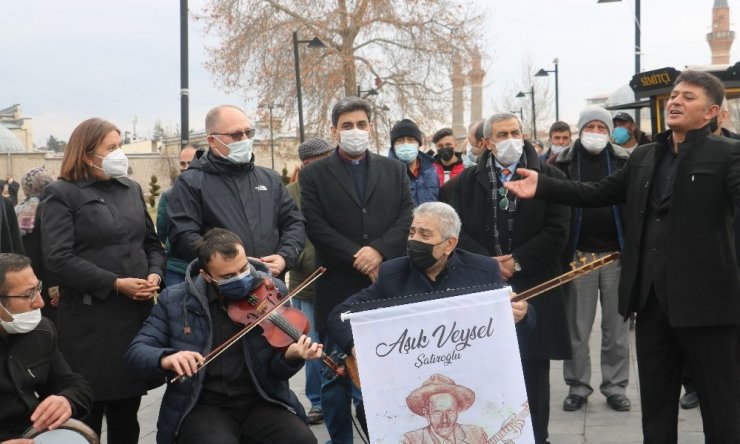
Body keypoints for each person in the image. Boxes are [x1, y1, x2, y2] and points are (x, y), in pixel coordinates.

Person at [504, 70, 740, 443]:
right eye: (675, 95)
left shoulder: (728, 154)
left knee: (723, 412)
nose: (676, 100)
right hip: (651, 306)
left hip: (708, 307)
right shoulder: (646, 156)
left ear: (711, 111)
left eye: (688, 97)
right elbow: (597, 192)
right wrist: (544, 184)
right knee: (657, 412)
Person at [325, 203, 532, 443]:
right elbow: (338, 315)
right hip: (408, 382)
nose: (414, 240)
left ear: (450, 244)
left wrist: (523, 313)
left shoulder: (482, 271)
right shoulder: (392, 274)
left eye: (425, 235)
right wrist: (354, 346)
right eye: (412, 232)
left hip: (470, 377)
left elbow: (522, 318)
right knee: (369, 412)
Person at [442, 112, 571, 444]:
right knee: (487, 371)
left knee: (534, 372)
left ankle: (537, 437)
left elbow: (558, 231)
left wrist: (517, 262)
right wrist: (488, 263)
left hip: (535, 284)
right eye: (502, 134)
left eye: (516, 132)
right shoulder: (465, 183)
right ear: (487, 143)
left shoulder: (551, 177)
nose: (511, 139)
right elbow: (456, 231)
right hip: (482, 287)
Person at [125, 228, 320, 444]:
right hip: (203, 404)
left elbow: (276, 370)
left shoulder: (272, 291)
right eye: (228, 276)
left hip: (260, 398)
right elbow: (137, 351)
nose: (240, 279)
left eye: (243, 269)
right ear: (206, 276)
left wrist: (290, 357)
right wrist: (167, 357)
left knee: (301, 440)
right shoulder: (175, 300)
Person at [41, 118, 165, 443]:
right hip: (90, 326)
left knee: (127, 417)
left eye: (120, 145)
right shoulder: (61, 194)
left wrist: (155, 274)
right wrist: (115, 283)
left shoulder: (131, 188)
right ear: (86, 153)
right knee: (87, 415)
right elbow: (58, 258)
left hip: (134, 320)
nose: (119, 153)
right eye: (111, 147)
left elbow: (151, 244)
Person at [300, 96, 414, 443]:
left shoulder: (393, 169)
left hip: (384, 286)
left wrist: (379, 250)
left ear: (371, 127)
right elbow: (315, 226)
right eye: (347, 125)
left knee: (384, 374)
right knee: (335, 378)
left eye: (361, 124)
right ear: (335, 130)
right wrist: (357, 255)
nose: (354, 131)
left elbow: (406, 216)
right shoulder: (316, 173)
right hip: (336, 288)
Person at [167, 104, 305, 278]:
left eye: (249, 133)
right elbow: (183, 236)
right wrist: (233, 265)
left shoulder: (270, 179)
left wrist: (284, 256)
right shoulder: (190, 183)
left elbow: (294, 223)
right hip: (221, 291)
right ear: (212, 141)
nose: (245, 139)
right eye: (236, 135)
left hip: (270, 288)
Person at [555, 106, 631, 413]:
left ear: (610, 132)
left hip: (616, 254)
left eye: (602, 127)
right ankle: (577, 385)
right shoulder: (563, 162)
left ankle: (615, 386)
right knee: (577, 327)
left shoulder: (626, 161)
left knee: (617, 327)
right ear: (580, 129)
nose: (596, 133)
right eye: (591, 126)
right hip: (579, 255)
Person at [0, 253, 93, 443]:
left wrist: (66, 401)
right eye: (28, 294)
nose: (40, 302)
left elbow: (75, 385)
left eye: (37, 289)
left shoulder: (42, 330)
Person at [286, 138, 335, 425]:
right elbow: (290, 235)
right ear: (307, 164)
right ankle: (317, 401)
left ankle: (353, 393)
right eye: (322, 160)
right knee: (312, 342)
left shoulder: (337, 188)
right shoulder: (291, 193)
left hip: (339, 278)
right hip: (307, 280)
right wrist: (308, 260)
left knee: (343, 342)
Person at [402, 374, 521, 444]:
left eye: (450, 411)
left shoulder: (476, 434)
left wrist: (505, 440)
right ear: (426, 413)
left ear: (458, 410)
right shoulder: (411, 440)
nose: (445, 420)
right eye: (437, 412)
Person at [14, 168, 58, 324]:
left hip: (22, 276)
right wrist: (54, 285)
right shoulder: (50, 208)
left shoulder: (18, 208)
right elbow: (51, 248)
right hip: (47, 279)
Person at [156, 144, 199, 287]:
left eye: (190, 162)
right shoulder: (169, 195)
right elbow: (162, 231)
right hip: (176, 267)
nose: (186, 167)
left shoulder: (212, 192)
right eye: (182, 163)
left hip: (205, 266)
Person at [388, 119, 439, 206]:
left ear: (418, 144)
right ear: (393, 146)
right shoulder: (386, 173)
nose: (406, 143)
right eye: (400, 140)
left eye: (411, 139)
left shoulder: (431, 171)